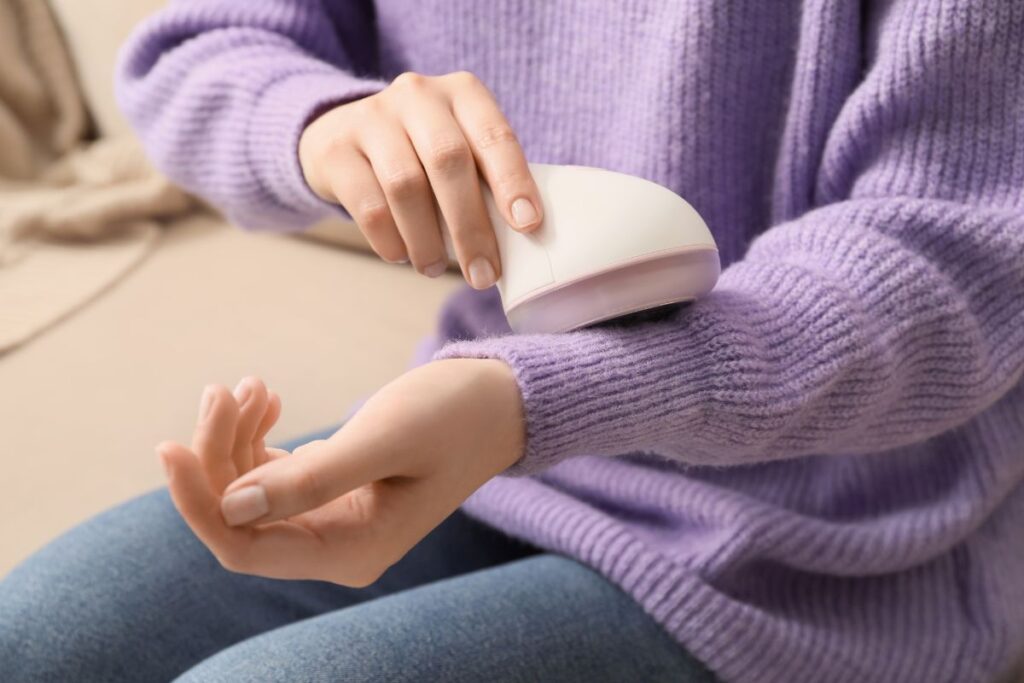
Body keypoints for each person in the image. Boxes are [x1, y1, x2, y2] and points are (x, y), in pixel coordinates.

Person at [2, 1, 1023, 681]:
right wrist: (322, 127)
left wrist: (527, 401)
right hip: (499, 437)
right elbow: (197, 46)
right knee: (32, 639)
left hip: (844, 545)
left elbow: (949, 255)